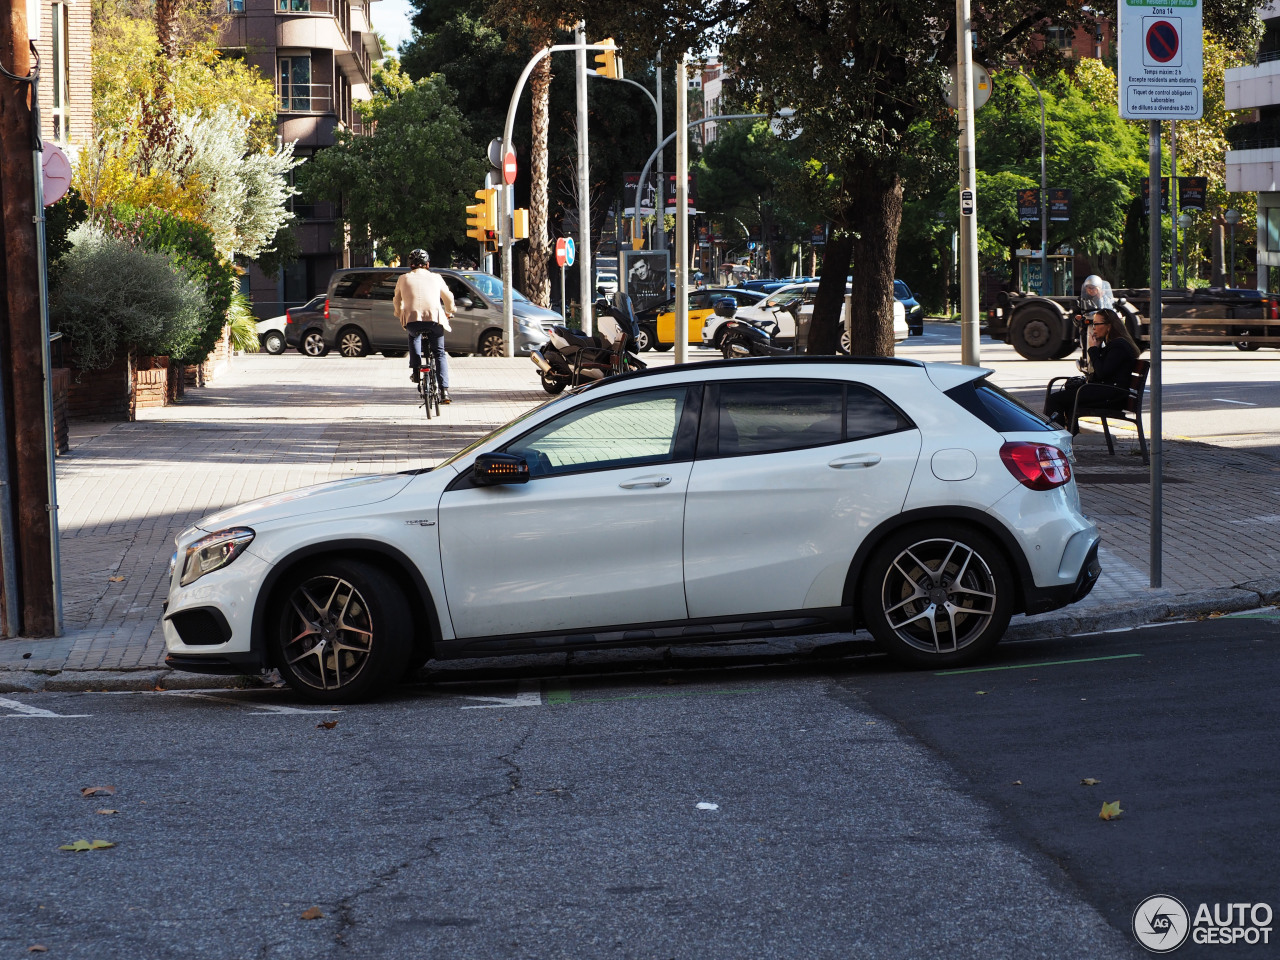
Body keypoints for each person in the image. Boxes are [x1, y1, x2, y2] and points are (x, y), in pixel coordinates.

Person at [1043, 308, 1139, 430]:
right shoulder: (1113, 345)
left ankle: (1056, 437)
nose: (1093, 327)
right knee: (1067, 399)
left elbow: (1102, 373)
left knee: (1055, 399)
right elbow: (1100, 373)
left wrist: (1093, 349)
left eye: (1097, 324)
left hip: (1112, 397)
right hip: (1108, 392)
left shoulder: (1119, 346)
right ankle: (1067, 434)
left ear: (1108, 326)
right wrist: (1097, 349)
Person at [393, 249, 455, 403]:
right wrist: (450, 311)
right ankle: (444, 391)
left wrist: (399, 313)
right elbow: (448, 298)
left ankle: (415, 371)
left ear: (411, 265)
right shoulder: (436, 277)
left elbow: (396, 300)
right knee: (439, 353)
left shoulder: (403, 278)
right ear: (427, 264)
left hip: (412, 320)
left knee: (413, 336)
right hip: (434, 318)